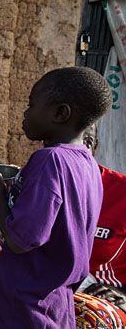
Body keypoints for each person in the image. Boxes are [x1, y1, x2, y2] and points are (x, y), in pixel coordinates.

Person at [0, 67, 113, 327]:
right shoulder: (87, 163)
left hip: (22, 307)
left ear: (60, 113)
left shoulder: (50, 160)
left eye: (31, 104)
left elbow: (20, 239)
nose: (25, 113)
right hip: (52, 301)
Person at [72, 125, 126, 327]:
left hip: (101, 303)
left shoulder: (122, 193)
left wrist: (124, 297)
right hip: (44, 296)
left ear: (90, 145)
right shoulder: (33, 186)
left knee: (85, 316)